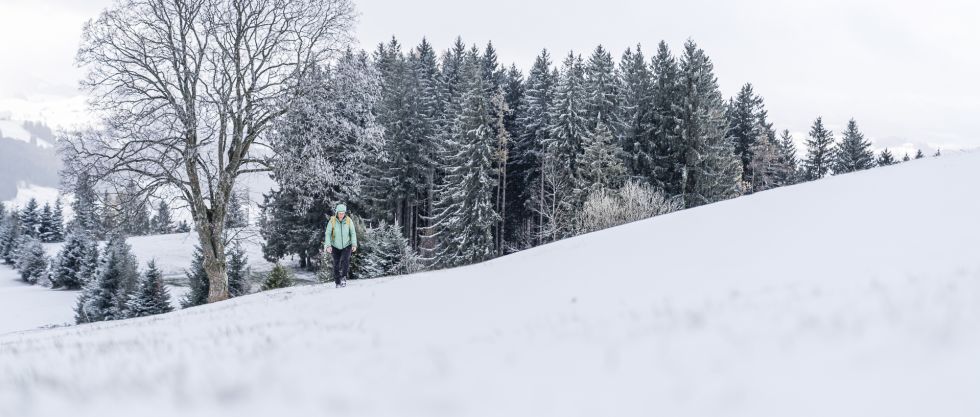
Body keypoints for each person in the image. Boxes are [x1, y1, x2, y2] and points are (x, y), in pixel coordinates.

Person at [324, 203, 357, 288]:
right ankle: (337, 282)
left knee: (345, 260)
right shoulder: (332, 221)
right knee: (336, 263)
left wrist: (354, 244)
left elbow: (353, 233)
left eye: (343, 213)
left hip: (347, 245)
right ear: (337, 213)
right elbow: (327, 233)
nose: (341, 215)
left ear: (345, 213)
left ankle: (343, 278)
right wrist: (328, 246)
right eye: (340, 213)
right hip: (335, 245)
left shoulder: (349, 220)